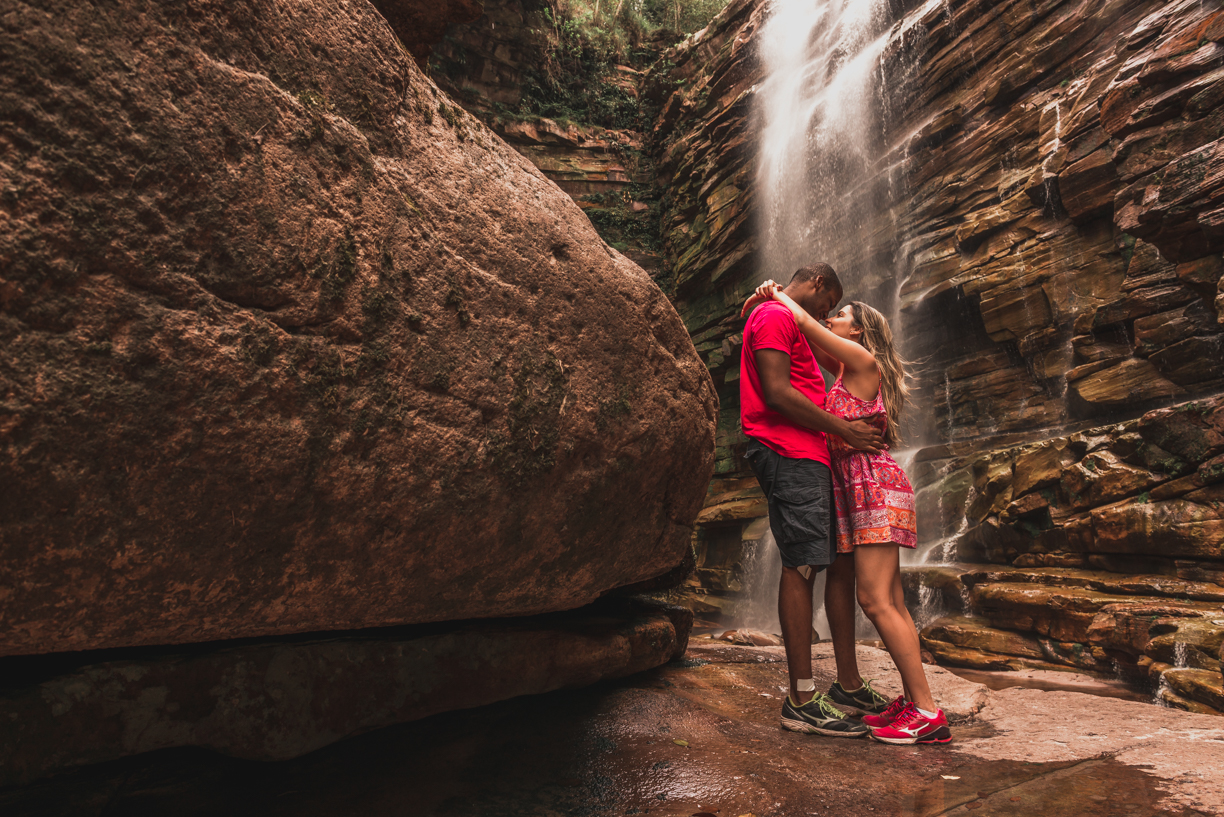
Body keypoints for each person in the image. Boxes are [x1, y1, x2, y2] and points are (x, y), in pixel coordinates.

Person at [748, 278, 951, 746]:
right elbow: (800, 338)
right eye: (830, 309)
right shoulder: (844, 368)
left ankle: (926, 712)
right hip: (858, 490)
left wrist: (775, 292)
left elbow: (800, 321)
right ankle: (910, 699)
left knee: (877, 601)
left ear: (857, 332)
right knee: (891, 601)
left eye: (840, 314)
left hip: (873, 490)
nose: (831, 316)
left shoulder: (862, 361)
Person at [737, 264, 892, 739]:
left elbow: (837, 365)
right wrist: (844, 428)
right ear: (819, 286)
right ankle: (801, 699)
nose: (825, 317)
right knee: (802, 565)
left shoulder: (786, 319)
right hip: (788, 450)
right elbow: (777, 393)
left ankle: (845, 685)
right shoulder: (775, 317)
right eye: (827, 307)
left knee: (827, 563)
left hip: (809, 454)